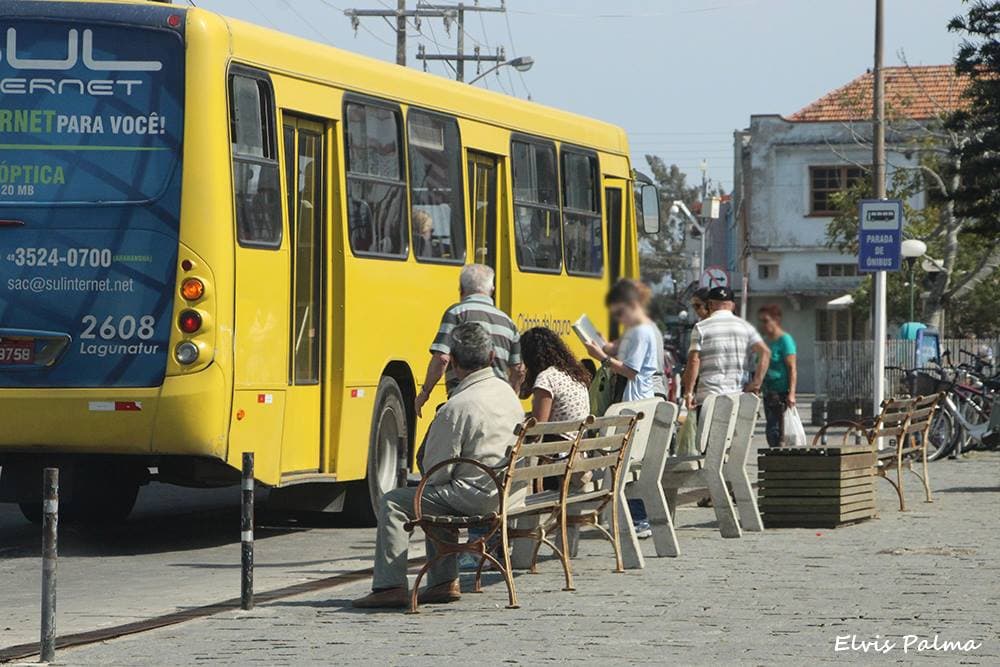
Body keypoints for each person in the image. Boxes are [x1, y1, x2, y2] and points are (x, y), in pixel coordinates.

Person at [353, 323, 525, 609]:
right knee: (440, 492)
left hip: (475, 499)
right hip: (507, 493)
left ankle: (391, 586)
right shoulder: (508, 394)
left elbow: (436, 469)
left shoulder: (457, 407)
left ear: (453, 363)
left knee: (397, 501)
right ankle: (443, 581)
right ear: (493, 357)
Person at [583, 278, 664, 538]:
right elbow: (619, 349)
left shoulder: (640, 330)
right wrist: (604, 345)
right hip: (639, 400)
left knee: (627, 462)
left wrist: (602, 359)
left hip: (634, 401)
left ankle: (638, 519)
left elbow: (630, 370)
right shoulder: (641, 329)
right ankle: (632, 517)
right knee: (627, 462)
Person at [415, 264, 524, 417]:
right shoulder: (508, 323)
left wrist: (425, 393)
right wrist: (511, 397)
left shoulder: (456, 314)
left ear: (461, 289)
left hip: (464, 401)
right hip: (499, 405)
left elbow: (442, 359)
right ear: (492, 290)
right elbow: (518, 371)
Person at [681, 286, 770, 411]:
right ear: (733, 306)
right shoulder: (746, 327)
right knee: (735, 431)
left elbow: (694, 361)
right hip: (738, 396)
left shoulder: (701, 327)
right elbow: (765, 353)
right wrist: (756, 383)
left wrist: (688, 393)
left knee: (708, 431)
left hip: (709, 398)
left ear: (710, 304)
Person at [520, 327, 592, 430]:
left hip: (555, 443)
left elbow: (536, 429)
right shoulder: (575, 375)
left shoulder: (546, 378)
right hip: (577, 442)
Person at [758, 304, 797, 447]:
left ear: (776, 320)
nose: (763, 325)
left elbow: (792, 367)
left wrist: (791, 393)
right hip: (768, 391)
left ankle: (778, 457)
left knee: (777, 430)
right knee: (770, 428)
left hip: (780, 393)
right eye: (761, 321)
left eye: (766, 321)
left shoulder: (785, 340)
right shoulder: (766, 341)